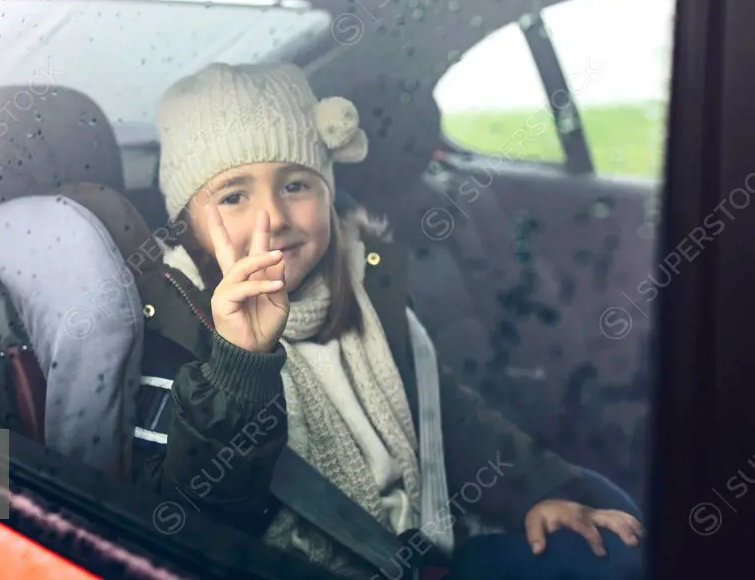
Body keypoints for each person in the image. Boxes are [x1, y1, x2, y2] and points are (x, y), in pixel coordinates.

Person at [131, 62, 643, 580]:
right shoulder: (176, 332)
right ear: (188, 222)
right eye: (234, 196)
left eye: (296, 185)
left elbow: (444, 414)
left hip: (423, 548)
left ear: (329, 192)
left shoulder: (362, 280)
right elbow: (196, 521)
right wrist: (240, 363)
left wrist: (535, 494)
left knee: (607, 519)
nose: (275, 218)